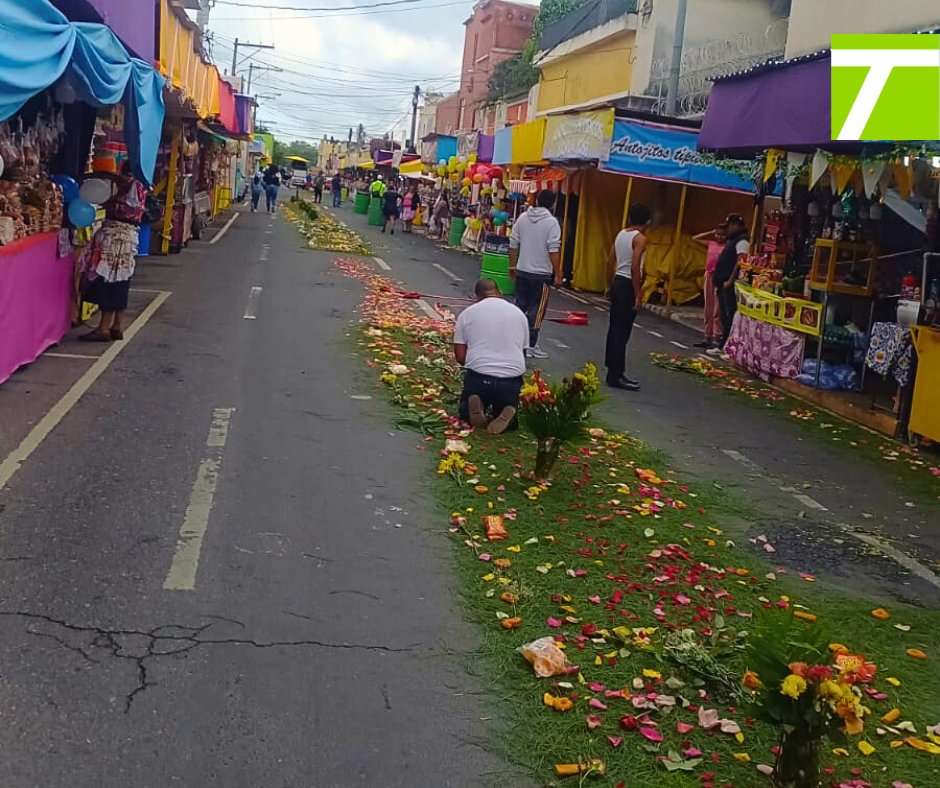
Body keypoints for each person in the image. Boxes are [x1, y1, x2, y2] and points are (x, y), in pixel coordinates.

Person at [78, 166, 147, 342]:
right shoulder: (143, 186)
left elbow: (106, 193)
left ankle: (103, 328)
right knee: (122, 281)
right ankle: (117, 325)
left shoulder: (123, 186)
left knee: (109, 281)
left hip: (114, 238)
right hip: (131, 238)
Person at [453, 279, 529, 435]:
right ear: (499, 292)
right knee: (505, 403)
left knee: (465, 411)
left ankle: (474, 404)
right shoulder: (519, 314)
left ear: (477, 297)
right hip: (511, 379)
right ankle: (507, 411)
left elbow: (460, 357)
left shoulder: (468, 314)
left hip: (479, 377)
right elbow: (522, 353)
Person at [510, 189, 562, 359]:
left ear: (537, 200)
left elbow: (513, 243)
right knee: (537, 311)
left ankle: (514, 340)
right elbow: (553, 250)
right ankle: (531, 345)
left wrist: (513, 266)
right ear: (553, 203)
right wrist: (558, 273)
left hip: (522, 270)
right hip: (541, 274)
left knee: (520, 306)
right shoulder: (552, 223)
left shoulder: (523, 218)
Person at [604, 203, 651, 390]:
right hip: (628, 284)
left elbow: (610, 260)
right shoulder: (640, 239)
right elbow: (635, 267)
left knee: (614, 328)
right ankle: (617, 373)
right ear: (648, 221)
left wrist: (608, 285)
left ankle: (612, 369)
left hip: (617, 281)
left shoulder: (621, 234)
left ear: (630, 218)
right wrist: (638, 293)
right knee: (623, 331)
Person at [708, 213, 750, 355]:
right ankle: (723, 345)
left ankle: (728, 347)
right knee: (724, 317)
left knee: (730, 315)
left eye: (730, 226)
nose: (728, 229)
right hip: (722, 282)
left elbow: (740, 262)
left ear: (737, 225)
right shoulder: (733, 240)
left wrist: (730, 281)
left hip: (730, 284)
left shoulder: (742, 241)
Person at [692, 222, 727, 349]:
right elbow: (695, 238)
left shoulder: (727, 247)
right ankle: (707, 335)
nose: (719, 237)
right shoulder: (711, 244)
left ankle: (717, 336)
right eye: (718, 234)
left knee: (717, 309)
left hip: (720, 277)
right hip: (709, 275)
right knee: (708, 306)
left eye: (723, 235)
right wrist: (711, 232)